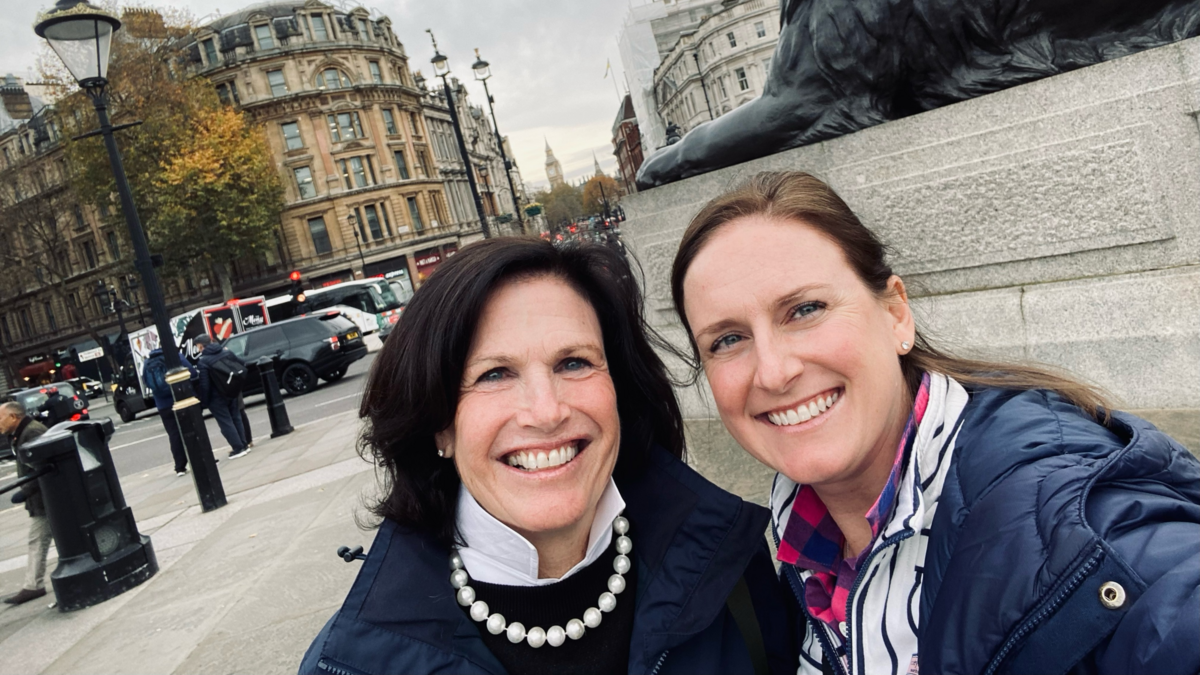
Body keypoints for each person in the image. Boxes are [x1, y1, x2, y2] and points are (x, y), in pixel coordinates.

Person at [669, 171, 1200, 675]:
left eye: (805, 309)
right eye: (727, 340)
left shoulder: (1079, 523)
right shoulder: (791, 550)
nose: (774, 371)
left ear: (897, 313)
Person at [300, 238, 794, 675]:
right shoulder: (355, 662)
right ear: (439, 426)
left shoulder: (728, 569)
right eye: (494, 374)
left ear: (618, 392)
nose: (546, 410)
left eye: (574, 362)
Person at [0, 401, 51, 605]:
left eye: (0, 418)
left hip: (46, 500)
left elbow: (41, 467)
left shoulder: (31, 433)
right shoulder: (23, 432)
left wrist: (26, 491)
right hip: (43, 499)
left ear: (14, 417)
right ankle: (33, 585)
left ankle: (33, 586)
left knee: (37, 540)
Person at [195, 334, 250, 459]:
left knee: (225, 422)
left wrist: (204, 401)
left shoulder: (203, 361)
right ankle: (244, 444)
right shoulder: (226, 352)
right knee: (236, 418)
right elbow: (242, 364)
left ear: (200, 346)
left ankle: (238, 448)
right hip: (232, 390)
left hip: (216, 397)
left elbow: (205, 385)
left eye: (197, 347)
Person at [142, 348, 190, 476]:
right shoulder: (175, 357)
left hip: (162, 405)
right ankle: (201, 458)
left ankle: (180, 467)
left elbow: (146, 382)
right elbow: (191, 372)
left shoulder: (147, 363)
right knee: (192, 430)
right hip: (181, 399)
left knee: (174, 435)